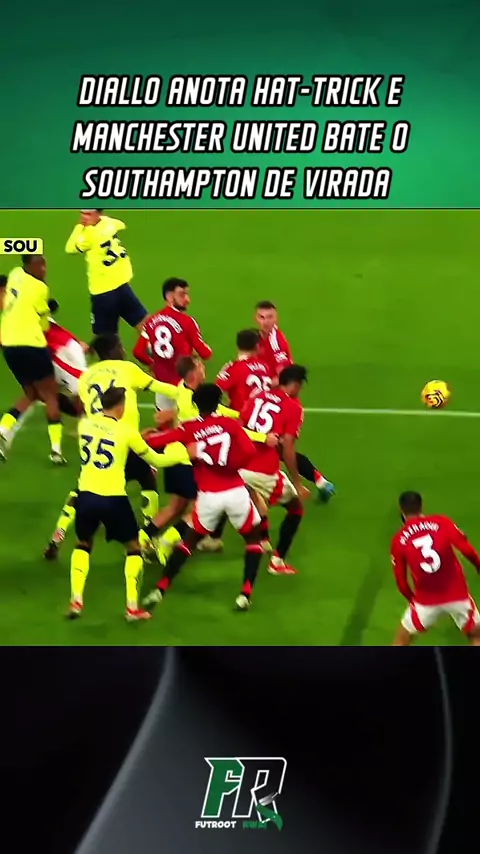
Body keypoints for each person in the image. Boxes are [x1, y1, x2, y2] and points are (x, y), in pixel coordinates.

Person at [43, 333, 185, 559]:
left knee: (82, 490)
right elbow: (163, 388)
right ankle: (147, 537)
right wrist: (187, 393)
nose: (124, 350)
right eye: (121, 346)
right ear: (115, 350)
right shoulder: (127, 369)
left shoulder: (87, 376)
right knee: (148, 479)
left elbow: (81, 408)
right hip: (124, 440)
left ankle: (58, 535)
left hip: (95, 439)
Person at [142, 383, 274, 612]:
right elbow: (250, 452)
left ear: (195, 404)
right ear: (218, 403)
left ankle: (161, 588)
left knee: (189, 542)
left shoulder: (189, 428)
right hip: (235, 492)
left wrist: (146, 436)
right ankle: (245, 594)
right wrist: (230, 467)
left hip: (208, 497)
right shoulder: (230, 424)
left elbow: (158, 441)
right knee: (253, 541)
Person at [69, 386, 188, 621]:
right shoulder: (126, 431)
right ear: (121, 407)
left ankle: (76, 600)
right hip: (113, 498)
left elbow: (106, 438)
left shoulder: (85, 425)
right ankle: (132, 608)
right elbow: (156, 460)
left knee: (83, 543)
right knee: (134, 548)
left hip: (86, 495)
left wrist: (137, 437)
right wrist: (184, 454)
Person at [139, 354, 275, 560]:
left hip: (174, 457)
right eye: (200, 366)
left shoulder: (184, 390)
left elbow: (215, 411)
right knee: (199, 511)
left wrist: (239, 414)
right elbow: (225, 422)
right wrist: (263, 436)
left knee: (175, 507)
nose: (204, 368)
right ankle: (166, 541)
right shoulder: (197, 407)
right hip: (190, 462)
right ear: (193, 373)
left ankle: (141, 539)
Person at [254, 299, 335, 503]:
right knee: (280, 449)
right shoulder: (259, 338)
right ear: (256, 318)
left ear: (276, 318)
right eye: (262, 317)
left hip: (280, 401)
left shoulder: (276, 342)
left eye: (270, 317)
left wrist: (260, 385)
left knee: (280, 448)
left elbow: (282, 376)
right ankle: (320, 482)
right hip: (271, 399)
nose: (266, 321)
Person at [239, 364, 310, 575]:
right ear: (294, 384)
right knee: (296, 508)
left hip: (240, 464)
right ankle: (277, 562)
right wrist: (297, 482)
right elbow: (287, 448)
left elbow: (240, 426)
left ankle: (262, 539)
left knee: (254, 498)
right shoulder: (293, 407)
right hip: (263, 469)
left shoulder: (258, 396)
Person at [390, 491, 480, 646]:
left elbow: (401, 583)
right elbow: (467, 550)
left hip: (425, 601)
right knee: (476, 636)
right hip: (458, 595)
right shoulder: (441, 522)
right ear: (422, 506)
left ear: (401, 510)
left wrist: (414, 601)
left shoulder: (398, 540)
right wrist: (478, 566)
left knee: (402, 638)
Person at [0, 256, 65, 464]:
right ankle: (56, 450)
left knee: (31, 393)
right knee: (50, 395)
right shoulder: (40, 288)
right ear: (30, 265)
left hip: (9, 345)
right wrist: (49, 309)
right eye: (40, 265)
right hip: (32, 345)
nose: (44, 269)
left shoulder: (15, 274)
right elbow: (44, 326)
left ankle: (2, 429)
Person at [0, 298, 86, 452]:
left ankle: (3, 429)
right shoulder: (39, 319)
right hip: (49, 358)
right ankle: (60, 447)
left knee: (31, 395)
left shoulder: (11, 319)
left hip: (15, 355)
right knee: (61, 393)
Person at [133, 277, 212, 412]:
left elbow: (138, 352)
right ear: (169, 296)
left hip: (162, 385)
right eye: (182, 295)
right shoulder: (187, 322)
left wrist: (154, 365)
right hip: (185, 385)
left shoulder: (151, 321)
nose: (187, 299)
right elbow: (205, 354)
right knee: (189, 422)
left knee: (164, 422)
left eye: (187, 294)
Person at [65, 209, 148, 335]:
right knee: (144, 324)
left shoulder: (88, 235)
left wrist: (79, 227)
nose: (84, 217)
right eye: (82, 213)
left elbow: (70, 248)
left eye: (88, 214)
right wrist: (104, 222)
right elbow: (121, 224)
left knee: (105, 339)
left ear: (99, 213)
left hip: (102, 291)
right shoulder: (109, 223)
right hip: (121, 284)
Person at [216, 329, 273, 411]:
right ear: (257, 346)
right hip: (266, 414)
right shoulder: (265, 366)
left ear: (237, 346)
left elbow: (214, 391)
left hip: (243, 416)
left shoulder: (233, 368)